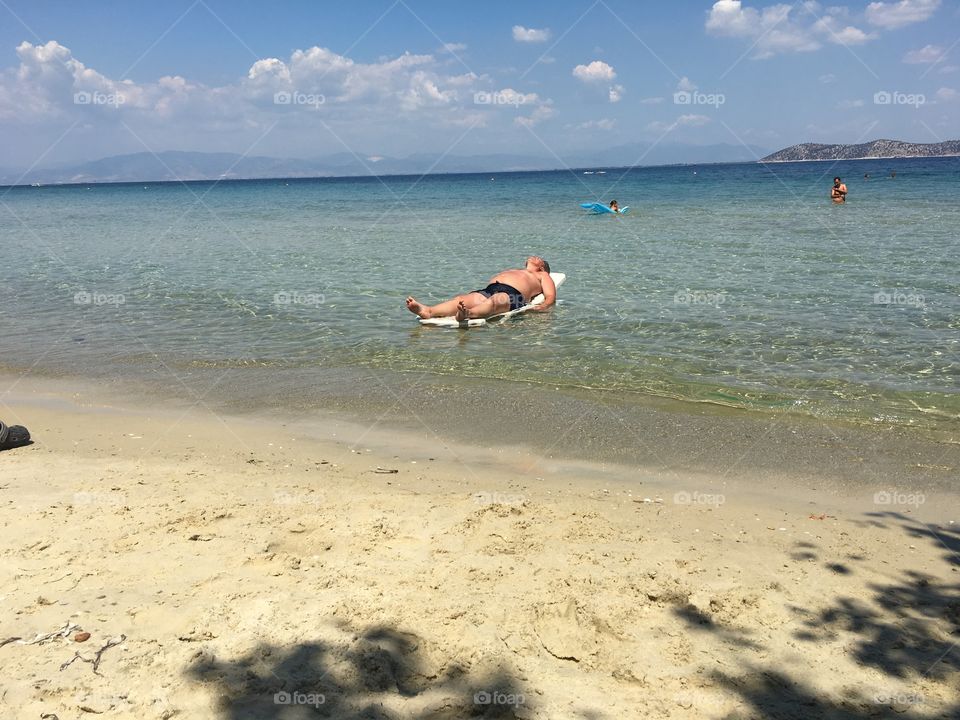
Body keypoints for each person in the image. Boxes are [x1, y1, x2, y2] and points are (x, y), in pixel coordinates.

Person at [406, 256, 556, 321]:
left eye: (538, 258)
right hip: (490, 289)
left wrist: (543, 306)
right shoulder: (519, 270)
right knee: (461, 299)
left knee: (495, 302)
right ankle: (428, 311)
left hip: (513, 294)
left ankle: (469, 313)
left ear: (542, 266)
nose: (534, 257)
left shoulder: (542, 275)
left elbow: (550, 295)